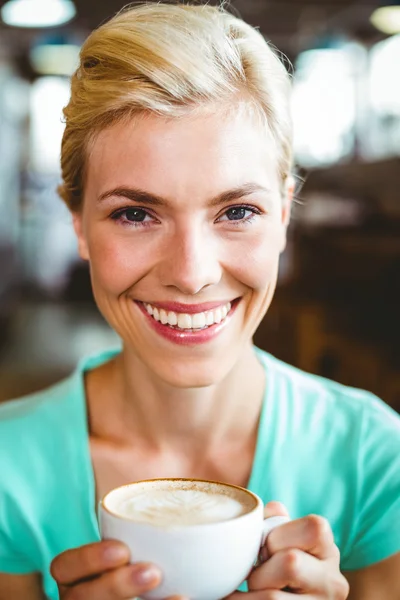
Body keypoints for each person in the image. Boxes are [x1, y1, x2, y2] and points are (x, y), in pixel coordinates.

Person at [0, 3, 399, 599]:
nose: (191, 274)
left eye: (237, 211)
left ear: (285, 216)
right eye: (135, 214)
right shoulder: (9, 467)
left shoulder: (375, 457)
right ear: (79, 223)